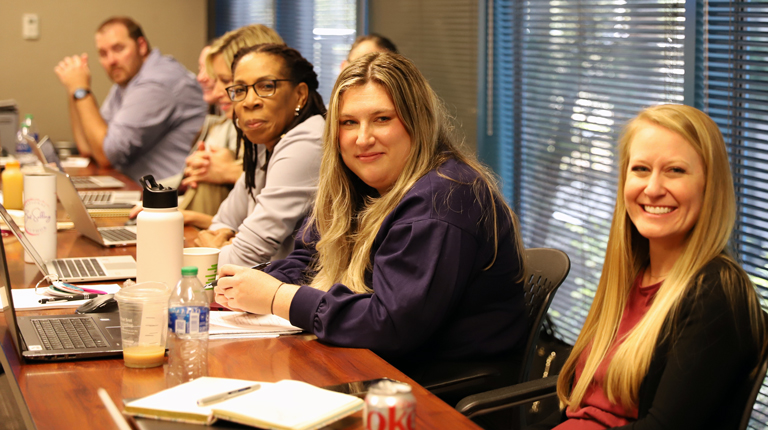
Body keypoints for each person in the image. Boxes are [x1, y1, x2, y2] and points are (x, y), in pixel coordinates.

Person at [214, 52, 527, 379]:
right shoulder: (359, 184)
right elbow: (309, 257)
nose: (363, 138)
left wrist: (278, 297)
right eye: (349, 122)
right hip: (365, 364)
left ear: (417, 121)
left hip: (433, 390)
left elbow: (390, 325)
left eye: (382, 119)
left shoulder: (444, 198)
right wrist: (252, 288)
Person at [536, 105, 768, 429]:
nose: (654, 188)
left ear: (709, 186)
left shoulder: (715, 294)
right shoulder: (631, 275)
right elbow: (582, 408)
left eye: (675, 170)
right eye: (641, 169)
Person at [197, 43, 325, 266]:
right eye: (240, 90)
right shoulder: (265, 142)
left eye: (266, 86)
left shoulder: (308, 141)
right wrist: (224, 241)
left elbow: (243, 257)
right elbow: (223, 222)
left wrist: (215, 250)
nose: (249, 102)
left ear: (300, 95)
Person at [54, 17, 207, 184]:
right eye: (103, 54)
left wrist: (81, 90)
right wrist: (73, 90)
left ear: (141, 46)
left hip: (171, 198)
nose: (111, 61)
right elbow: (88, 147)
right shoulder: (128, 82)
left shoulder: (156, 83)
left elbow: (106, 155)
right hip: (139, 188)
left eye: (118, 49)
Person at [177, 25, 285, 220]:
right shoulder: (253, 137)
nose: (219, 92)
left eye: (227, 81)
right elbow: (229, 225)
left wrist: (230, 172)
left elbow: (267, 236)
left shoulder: (299, 139)